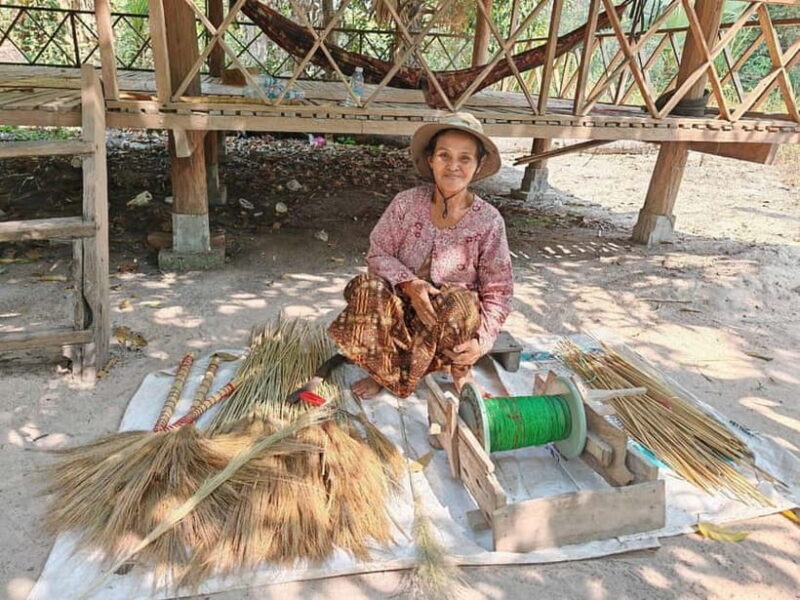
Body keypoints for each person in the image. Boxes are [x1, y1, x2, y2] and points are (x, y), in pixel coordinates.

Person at [291, 113, 513, 402]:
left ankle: (460, 373)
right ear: (430, 159)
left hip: (447, 328)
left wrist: (482, 341)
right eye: (444, 155)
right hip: (397, 318)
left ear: (478, 165)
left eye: (465, 158)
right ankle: (384, 372)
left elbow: (499, 289)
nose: (453, 166)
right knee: (366, 288)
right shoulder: (406, 203)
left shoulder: (489, 221)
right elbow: (378, 253)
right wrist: (410, 285)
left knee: (461, 302)